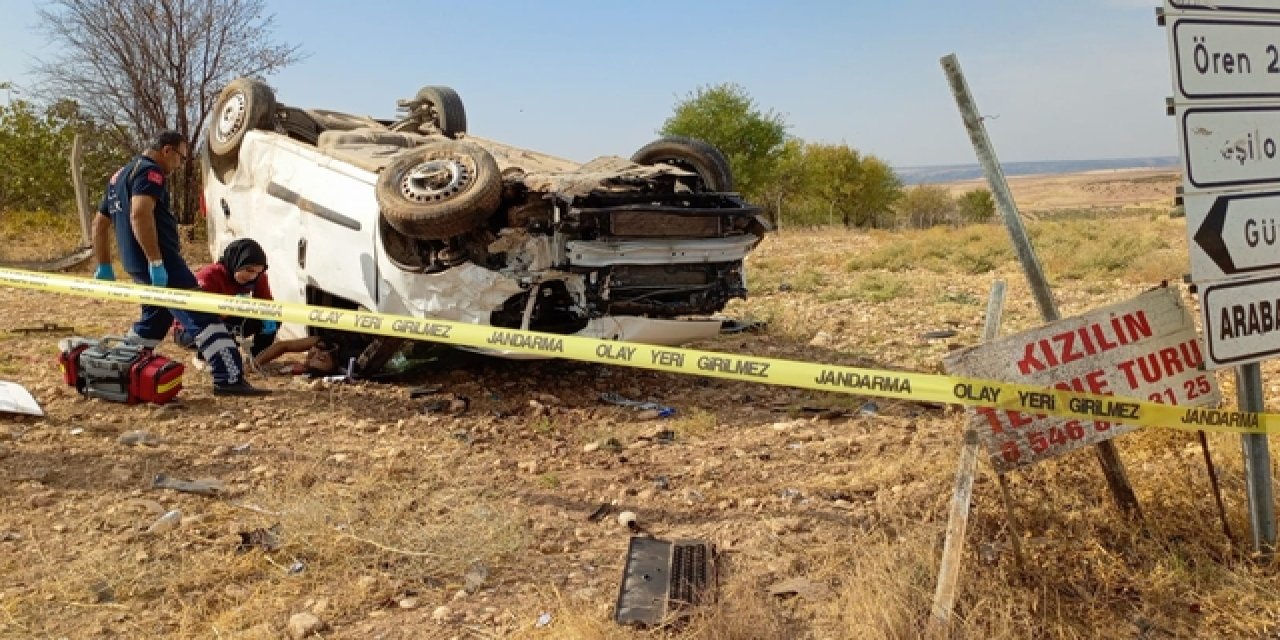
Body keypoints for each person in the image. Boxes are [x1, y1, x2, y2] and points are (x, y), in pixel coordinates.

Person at [90, 129, 269, 397]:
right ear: (167, 150)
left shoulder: (119, 176)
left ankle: (117, 366)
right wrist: (156, 261)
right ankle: (228, 378)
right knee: (203, 317)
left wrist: (104, 264)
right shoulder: (151, 172)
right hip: (161, 264)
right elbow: (140, 214)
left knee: (155, 320)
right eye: (181, 158)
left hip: (134, 264)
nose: (179, 165)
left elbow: (99, 224)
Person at [174, 238, 280, 360]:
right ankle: (205, 356)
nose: (252, 276)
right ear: (237, 262)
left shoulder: (258, 277)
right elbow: (194, 314)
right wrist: (228, 309)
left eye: (258, 272)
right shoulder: (209, 276)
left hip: (227, 319)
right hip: (191, 327)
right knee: (226, 335)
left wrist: (268, 318)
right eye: (249, 270)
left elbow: (267, 304)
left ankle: (257, 358)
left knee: (271, 319)